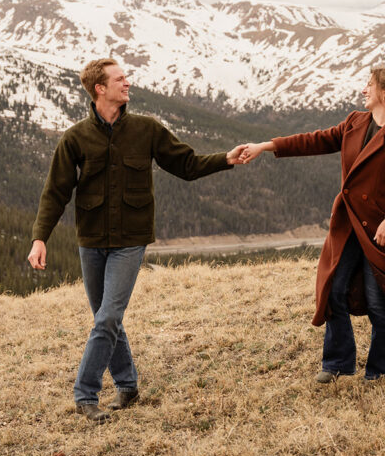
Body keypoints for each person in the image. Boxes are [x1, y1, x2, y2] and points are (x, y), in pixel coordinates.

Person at [28, 58, 245, 423]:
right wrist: (39, 239)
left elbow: (187, 165)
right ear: (100, 89)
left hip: (131, 240)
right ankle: (127, 385)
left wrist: (226, 158)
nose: (127, 83)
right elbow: (55, 193)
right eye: (120, 79)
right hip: (91, 240)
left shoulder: (146, 130)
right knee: (105, 319)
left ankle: (85, 394)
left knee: (109, 316)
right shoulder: (75, 138)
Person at [240, 66, 385, 383]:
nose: (364, 90)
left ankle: (383, 369)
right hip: (347, 227)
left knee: (379, 302)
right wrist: (267, 146)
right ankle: (337, 363)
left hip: (380, 234)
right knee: (333, 289)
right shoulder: (354, 122)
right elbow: (314, 141)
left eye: (369, 85)